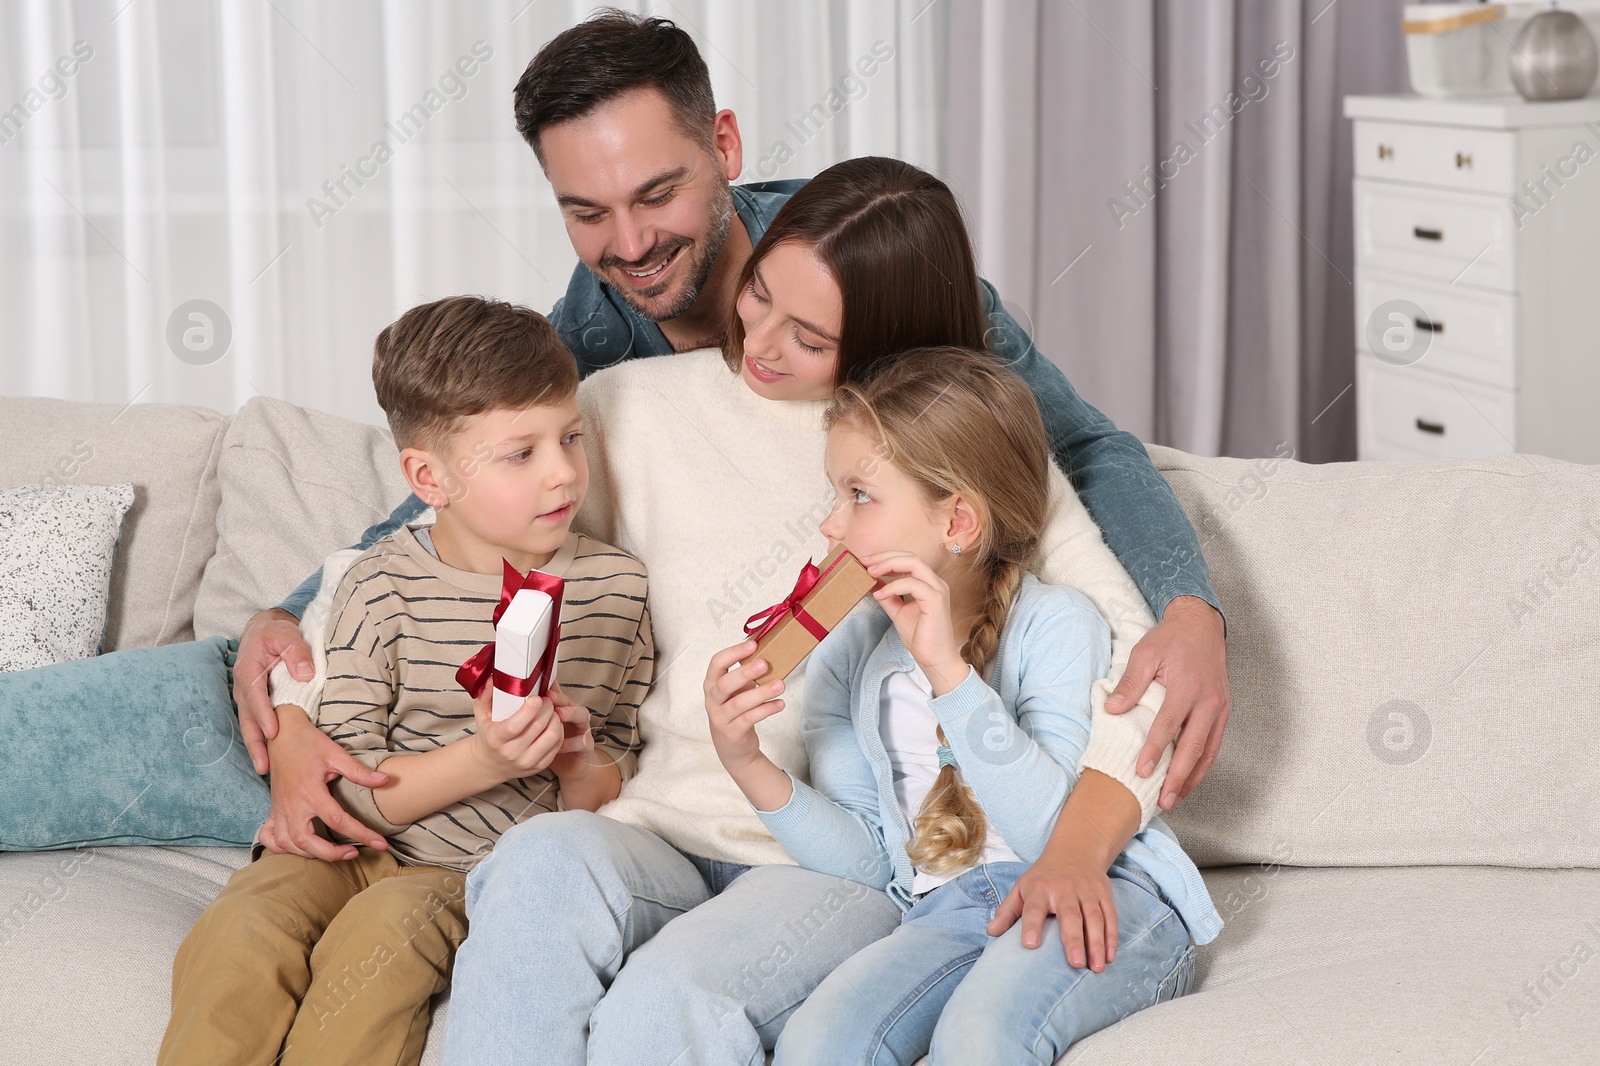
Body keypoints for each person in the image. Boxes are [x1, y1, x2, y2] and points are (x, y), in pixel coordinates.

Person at [233, 10, 1230, 873]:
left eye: (656, 195)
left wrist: (1188, 609)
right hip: (596, 761)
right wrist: (291, 633)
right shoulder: (594, 331)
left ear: (725, 144)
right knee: (211, 696)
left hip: (856, 783)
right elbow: (467, 480)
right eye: (587, 212)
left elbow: (1075, 452)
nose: (628, 245)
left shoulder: (890, 280)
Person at [435, 157, 1205, 1064]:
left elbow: (1130, 669)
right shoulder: (621, 409)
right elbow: (454, 509)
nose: (758, 343)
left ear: (888, 339)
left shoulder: (969, 454)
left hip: (815, 866)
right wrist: (297, 664)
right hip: (656, 824)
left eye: (808, 337)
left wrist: (1195, 615)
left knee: (668, 1006)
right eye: (757, 296)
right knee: (534, 867)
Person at [157, 297, 653, 1066]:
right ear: (430, 477)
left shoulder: (614, 590)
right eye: (521, 453)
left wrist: (577, 760)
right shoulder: (379, 586)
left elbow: (613, 785)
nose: (563, 472)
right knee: (238, 931)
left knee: (383, 936)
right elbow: (344, 789)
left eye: (572, 437)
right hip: (342, 844)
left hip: (466, 871)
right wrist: (484, 759)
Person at [706, 349, 1220, 1065]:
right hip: (945, 911)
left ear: (958, 523)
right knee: (818, 1043)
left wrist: (947, 674)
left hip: (1104, 891)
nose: (831, 526)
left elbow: (1054, 841)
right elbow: (873, 862)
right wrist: (746, 762)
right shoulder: (859, 658)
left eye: (858, 496)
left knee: (978, 1035)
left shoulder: (1057, 624)